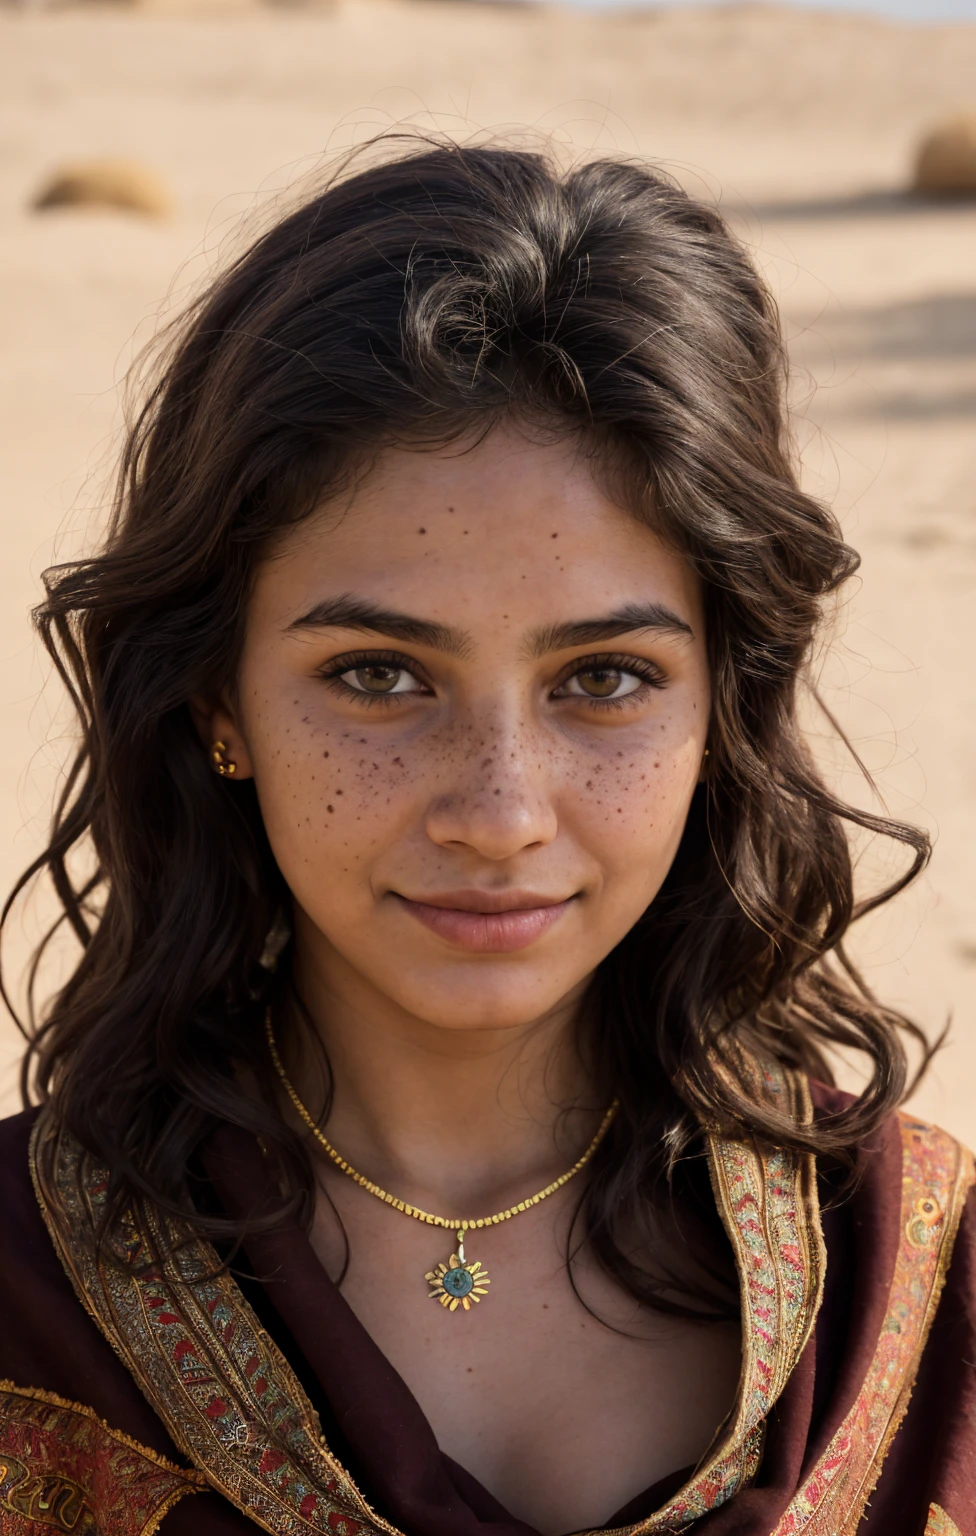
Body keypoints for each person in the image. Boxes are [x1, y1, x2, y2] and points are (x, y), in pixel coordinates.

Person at [0, 138, 972, 1536]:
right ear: (219, 701)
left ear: (723, 706)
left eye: (606, 680)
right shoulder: (30, 1310)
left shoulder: (922, 1279)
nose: (502, 812)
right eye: (379, 675)